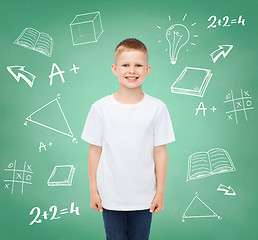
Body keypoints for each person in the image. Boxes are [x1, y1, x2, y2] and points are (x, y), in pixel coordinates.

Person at [81, 38, 175, 240]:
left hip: (144, 196)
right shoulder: (101, 108)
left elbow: (160, 151)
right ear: (115, 69)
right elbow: (94, 150)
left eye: (138, 65)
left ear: (147, 69)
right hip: (110, 195)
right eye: (125, 65)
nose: (132, 70)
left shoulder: (157, 108)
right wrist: (93, 190)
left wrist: (160, 192)